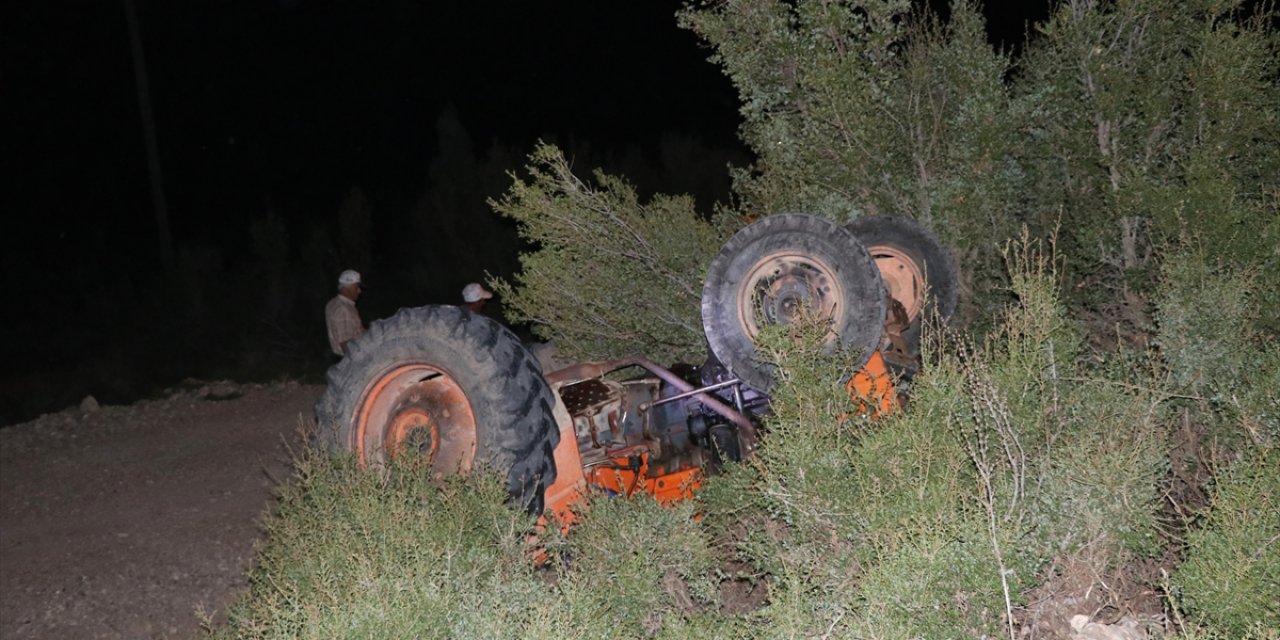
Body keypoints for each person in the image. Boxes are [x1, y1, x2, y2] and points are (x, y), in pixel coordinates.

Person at [325, 269, 366, 360]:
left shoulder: (333, 303)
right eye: (356, 288)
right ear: (345, 290)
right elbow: (346, 344)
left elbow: (358, 331)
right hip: (349, 358)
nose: (359, 291)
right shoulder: (343, 309)